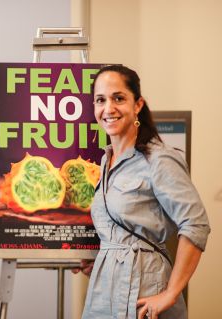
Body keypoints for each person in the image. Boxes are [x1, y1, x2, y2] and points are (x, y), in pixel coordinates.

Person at [76, 65, 210, 319]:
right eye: (100, 100)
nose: (109, 108)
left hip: (145, 288)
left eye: (119, 98)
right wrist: (107, 257)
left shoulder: (159, 159)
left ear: (137, 105)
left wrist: (170, 294)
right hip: (103, 290)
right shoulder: (106, 161)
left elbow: (197, 224)